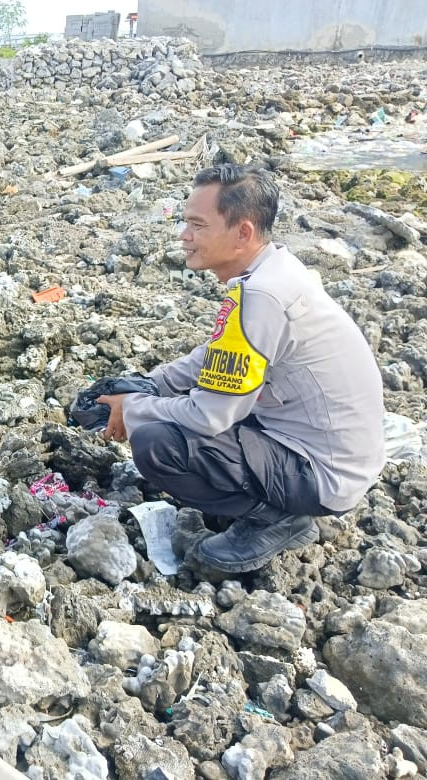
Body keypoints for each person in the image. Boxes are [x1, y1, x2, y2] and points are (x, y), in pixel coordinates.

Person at [98, 164, 385, 573]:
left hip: (322, 472)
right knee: (167, 407)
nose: (184, 236)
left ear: (243, 233)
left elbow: (210, 414)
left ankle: (278, 519)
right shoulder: (272, 271)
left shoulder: (263, 296)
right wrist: (150, 384)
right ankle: (268, 502)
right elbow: (215, 357)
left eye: (197, 225)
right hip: (325, 448)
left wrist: (135, 408)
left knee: (157, 443)